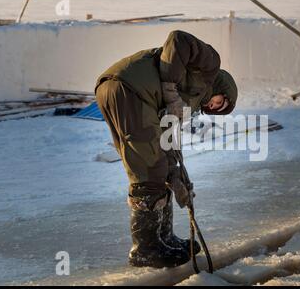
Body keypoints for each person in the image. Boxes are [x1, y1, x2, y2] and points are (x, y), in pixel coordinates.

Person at [95, 30, 237, 268]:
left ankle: (163, 239)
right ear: (223, 88)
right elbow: (178, 39)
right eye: (220, 102)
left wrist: (179, 178)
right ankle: (146, 249)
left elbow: (167, 143)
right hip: (130, 88)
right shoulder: (211, 66)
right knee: (148, 169)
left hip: (125, 92)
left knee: (159, 166)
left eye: (216, 109)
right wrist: (170, 89)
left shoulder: (190, 102)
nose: (213, 106)